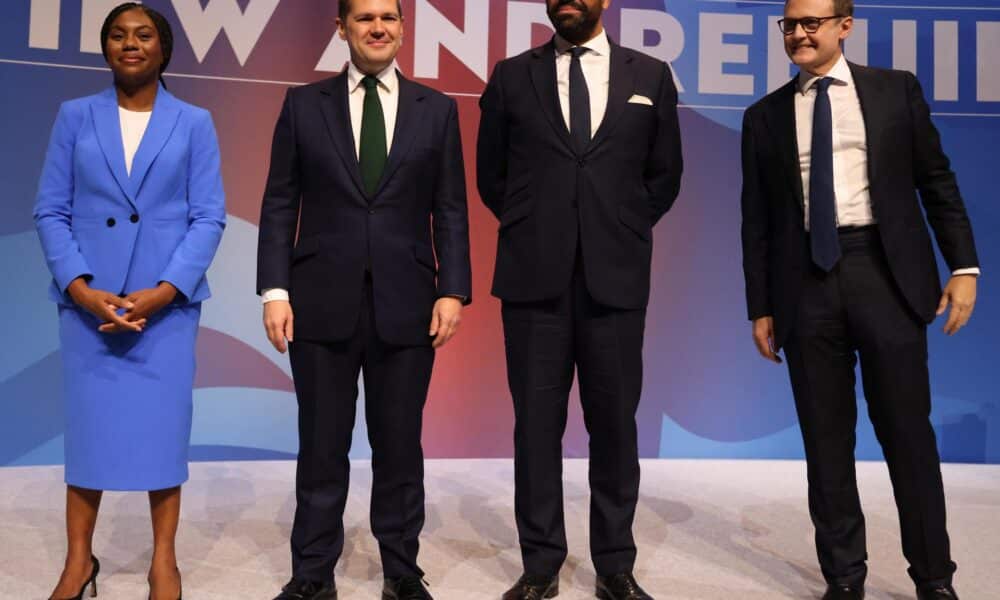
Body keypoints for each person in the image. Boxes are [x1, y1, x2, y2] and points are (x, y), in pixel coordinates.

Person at [740, 1, 979, 598]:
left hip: (885, 274)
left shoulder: (895, 91)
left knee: (907, 435)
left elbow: (937, 181)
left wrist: (964, 265)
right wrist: (760, 305)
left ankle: (933, 580)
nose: (798, 33)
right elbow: (757, 223)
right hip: (803, 286)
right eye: (790, 25)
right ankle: (844, 580)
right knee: (826, 442)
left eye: (811, 23)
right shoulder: (763, 116)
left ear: (844, 26)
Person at [256, 0, 471, 598]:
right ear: (342, 29)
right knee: (321, 445)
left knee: (399, 446)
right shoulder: (303, 106)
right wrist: (274, 290)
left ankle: (402, 571)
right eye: (365, 18)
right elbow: (280, 203)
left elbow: (450, 208)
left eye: (389, 18)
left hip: (408, 302)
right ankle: (312, 573)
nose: (378, 28)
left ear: (402, 29)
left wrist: (453, 288)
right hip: (319, 299)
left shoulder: (438, 110)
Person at [476, 0, 682, 597]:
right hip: (533, 280)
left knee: (615, 426)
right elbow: (492, 173)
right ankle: (540, 565)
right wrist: (530, 222)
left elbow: (664, 174)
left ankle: (615, 565)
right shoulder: (512, 75)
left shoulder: (650, 75)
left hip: (614, 280)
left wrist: (621, 224)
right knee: (536, 427)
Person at [32, 3, 226, 599]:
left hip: (164, 309)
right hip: (90, 309)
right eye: (117, 35)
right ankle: (78, 564)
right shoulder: (74, 116)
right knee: (88, 435)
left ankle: (163, 563)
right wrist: (82, 290)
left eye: (143, 34)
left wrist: (166, 292)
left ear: (164, 49)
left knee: (162, 436)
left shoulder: (194, 122)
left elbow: (208, 216)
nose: (130, 43)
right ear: (106, 48)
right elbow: (51, 209)